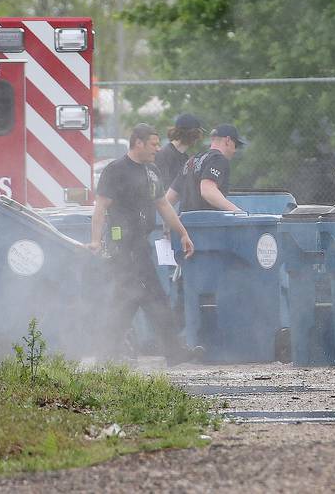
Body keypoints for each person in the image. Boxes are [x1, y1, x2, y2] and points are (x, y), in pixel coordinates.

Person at [88, 123, 199, 365]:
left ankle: (107, 354)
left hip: (140, 245)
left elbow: (163, 204)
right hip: (121, 248)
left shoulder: (151, 171)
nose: (157, 149)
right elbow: (100, 208)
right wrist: (96, 241)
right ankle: (170, 351)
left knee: (129, 300)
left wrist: (183, 233)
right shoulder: (115, 170)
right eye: (153, 144)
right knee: (148, 298)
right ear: (138, 142)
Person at [166, 124, 245, 212]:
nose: (235, 150)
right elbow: (207, 191)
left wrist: (170, 222)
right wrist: (237, 211)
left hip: (184, 223)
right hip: (206, 222)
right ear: (228, 140)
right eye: (235, 145)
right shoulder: (218, 158)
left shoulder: (192, 160)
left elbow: (169, 199)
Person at [155, 113, 207, 190]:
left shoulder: (185, 157)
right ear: (193, 134)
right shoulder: (164, 154)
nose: (198, 138)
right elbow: (163, 188)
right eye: (198, 134)